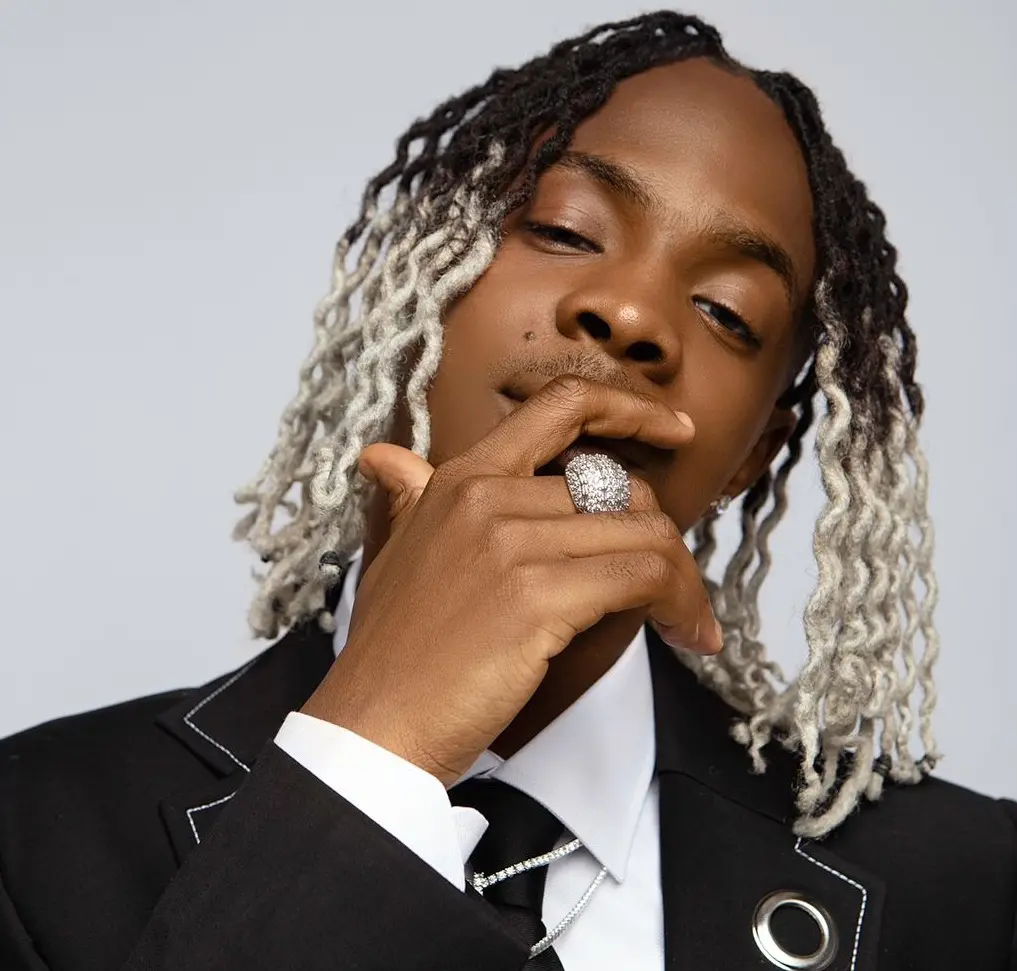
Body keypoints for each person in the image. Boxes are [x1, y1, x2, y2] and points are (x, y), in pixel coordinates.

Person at [1, 10, 1014, 970]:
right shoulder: (35, 832)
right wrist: (375, 753)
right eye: (566, 230)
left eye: (725, 310)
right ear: (416, 286)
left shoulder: (971, 892)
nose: (630, 313)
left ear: (756, 454)